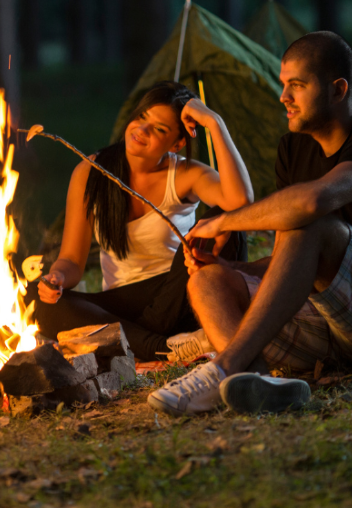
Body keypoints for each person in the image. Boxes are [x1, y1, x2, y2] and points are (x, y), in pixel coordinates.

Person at [148, 32, 352, 416]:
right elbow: (292, 262)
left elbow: (314, 202)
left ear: (337, 90)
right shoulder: (292, 151)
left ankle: (223, 368)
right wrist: (231, 268)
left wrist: (225, 221)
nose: (283, 97)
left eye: (297, 85)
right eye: (283, 85)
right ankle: (256, 382)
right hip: (330, 326)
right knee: (206, 280)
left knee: (308, 219)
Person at [29, 81, 254, 361]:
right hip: (124, 304)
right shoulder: (90, 172)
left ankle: (133, 343)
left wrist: (214, 122)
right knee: (39, 301)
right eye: (141, 117)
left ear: (178, 142)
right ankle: (165, 347)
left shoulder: (185, 174)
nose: (142, 130)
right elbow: (72, 261)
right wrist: (58, 278)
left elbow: (242, 202)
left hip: (181, 293)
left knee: (226, 220)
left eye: (159, 129)